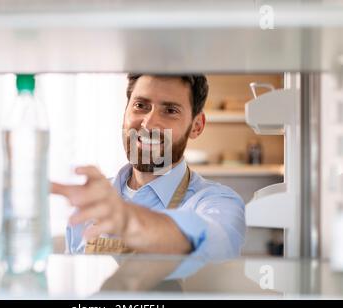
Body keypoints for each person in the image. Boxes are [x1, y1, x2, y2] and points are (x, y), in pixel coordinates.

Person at [52, 74, 246, 258]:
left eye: (170, 110)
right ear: (125, 111)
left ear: (196, 126)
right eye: (140, 105)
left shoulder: (217, 202)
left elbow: (214, 242)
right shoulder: (91, 206)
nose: (149, 124)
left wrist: (129, 221)